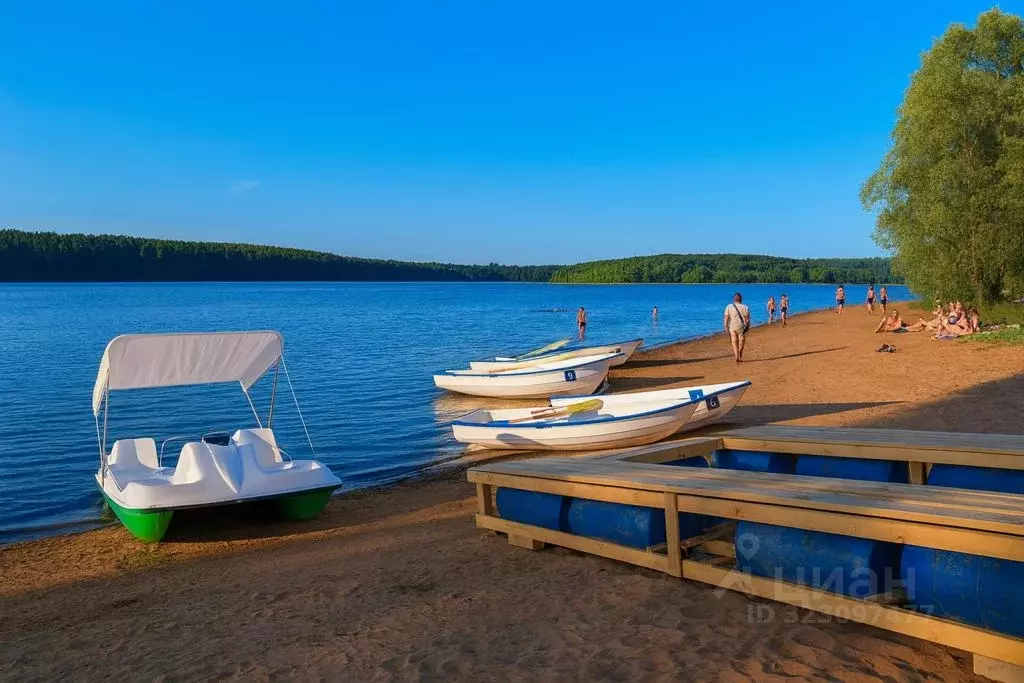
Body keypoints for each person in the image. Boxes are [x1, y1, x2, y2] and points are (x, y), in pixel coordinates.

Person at [723, 292, 750, 364]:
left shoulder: (729, 306)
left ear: (734, 299)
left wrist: (725, 326)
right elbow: (747, 320)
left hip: (732, 326)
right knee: (741, 341)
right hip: (742, 327)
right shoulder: (745, 307)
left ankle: (736, 356)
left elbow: (726, 317)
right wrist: (748, 328)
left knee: (734, 342)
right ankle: (740, 354)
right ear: (741, 299)